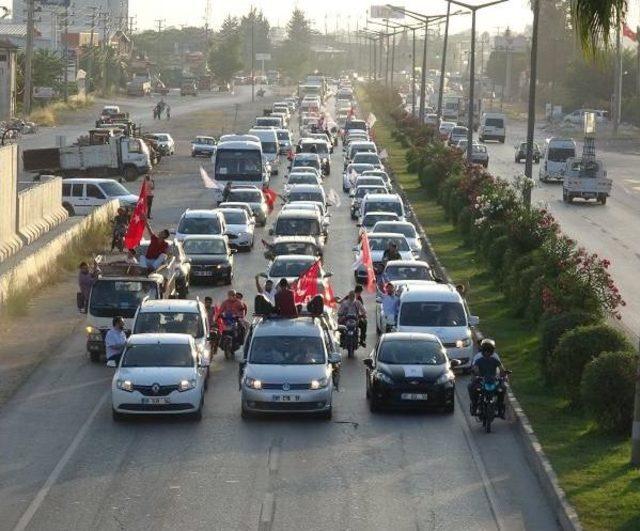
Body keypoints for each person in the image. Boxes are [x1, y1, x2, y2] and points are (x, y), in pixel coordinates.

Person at [468, 339, 507, 418]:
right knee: (472, 387)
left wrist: (503, 376)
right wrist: (476, 375)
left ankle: (500, 408)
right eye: (486, 350)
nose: (487, 352)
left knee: (502, 389)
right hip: (482, 381)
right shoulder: (479, 359)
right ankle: (474, 405)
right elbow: (475, 369)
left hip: (493, 381)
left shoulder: (495, 359)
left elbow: (502, 370)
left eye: (489, 350)